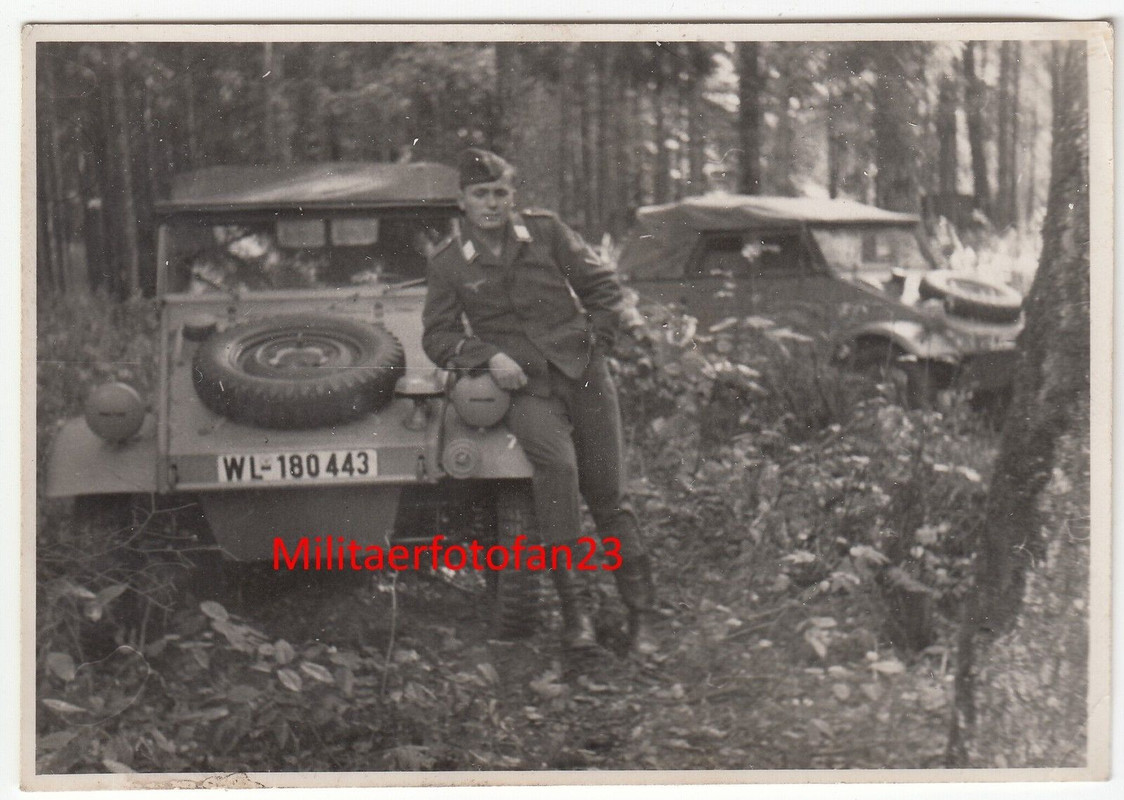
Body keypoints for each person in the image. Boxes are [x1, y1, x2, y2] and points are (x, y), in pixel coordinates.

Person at [423, 148, 657, 654]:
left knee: (609, 495)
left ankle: (642, 617)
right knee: (558, 474)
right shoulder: (448, 263)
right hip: (524, 387)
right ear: (462, 201)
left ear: (512, 197)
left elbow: (603, 288)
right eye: (480, 194)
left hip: (584, 375)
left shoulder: (546, 233)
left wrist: (596, 343)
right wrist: (488, 357)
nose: (491, 203)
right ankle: (577, 616)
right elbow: (437, 336)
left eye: (500, 193)